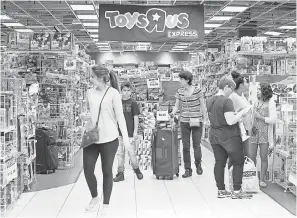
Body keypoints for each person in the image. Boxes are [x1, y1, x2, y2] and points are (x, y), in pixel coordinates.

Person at [81, 65, 131, 215]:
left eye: (92, 77)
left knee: (106, 171)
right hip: (92, 137)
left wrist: (126, 139)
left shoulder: (114, 94)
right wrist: (84, 118)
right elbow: (88, 112)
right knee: (88, 170)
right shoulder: (89, 92)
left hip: (110, 139)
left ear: (101, 78)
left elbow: (120, 118)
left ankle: (106, 204)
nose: (90, 79)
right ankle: (95, 197)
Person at [206, 76, 252, 199]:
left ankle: (221, 190)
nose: (231, 92)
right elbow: (230, 121)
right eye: (231, 89)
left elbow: (216, 116)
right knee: (238, 162)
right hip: (229, 136)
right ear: (226, 87)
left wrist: (234, 114)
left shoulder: (210, 100)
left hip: (214, 135)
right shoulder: (227, 101)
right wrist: (243, 112)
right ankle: (237, 191)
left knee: (219, 162)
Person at [171, 70, 207, 178]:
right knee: (185, 147)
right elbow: (177, 106)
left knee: (196, 145)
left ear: (187, 80)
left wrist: (204, 120)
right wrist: (173, 112)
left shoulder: (198, 91)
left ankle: (198, 164)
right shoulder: (180, 92)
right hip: (184, 122)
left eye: (181, 79)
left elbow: (203, 106)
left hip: (197, 121)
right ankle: (188, 169)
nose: (180, 81)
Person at [113, 82, 144, 182]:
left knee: (131, 153)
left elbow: (136, 118)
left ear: (131, 91)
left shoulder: (133, 103)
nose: (126, 93)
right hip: (119, 133)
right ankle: (120, 173)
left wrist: (135, 131)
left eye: (128, 90)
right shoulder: (117, 102)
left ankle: (136, 169)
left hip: (130, 133)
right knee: (120, 154)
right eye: (124, 90)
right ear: (121, 91)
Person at [250, 84, 277, 188]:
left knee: (263, 157)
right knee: (252, 156)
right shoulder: (256, 102)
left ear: (264, 92)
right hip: (254, 131)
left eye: (259, 90)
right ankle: (252, 178)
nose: (257, 92)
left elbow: (273, 119)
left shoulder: (271, 103)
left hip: (265, 133)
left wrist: (261, 117)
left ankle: (262, 180)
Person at [229, 71, 252, 154]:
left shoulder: (240, 95)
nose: (248, 84)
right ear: (241, 85)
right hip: (237, 131)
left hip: (243, 130)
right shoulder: (234, 97)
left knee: (243, 155)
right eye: (246, 82)